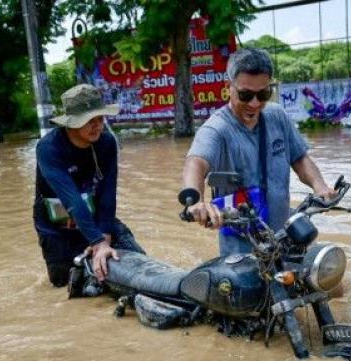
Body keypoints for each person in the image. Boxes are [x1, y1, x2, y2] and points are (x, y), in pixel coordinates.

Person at [182, 48, 335, 256]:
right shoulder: (216, 130)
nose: (254, 103)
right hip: (242, 250)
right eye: (245, 95)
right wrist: (197, 201)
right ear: (229, 87)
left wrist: (321, 186)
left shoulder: (277, 116)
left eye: (263, 94)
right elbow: (195, 163)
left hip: (285, 237)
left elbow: (300, 158)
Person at [33, 84, 144, 288]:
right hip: (56, 225)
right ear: (71, 124)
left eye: (100, 119)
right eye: (89, 121)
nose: (98, 126)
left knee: (139, 263)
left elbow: (108, 192)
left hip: (94, 216)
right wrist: (98, 242)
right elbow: (72, 200)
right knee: (65, 284)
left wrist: (105, 235)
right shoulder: (49, 149)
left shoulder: (107, 143)